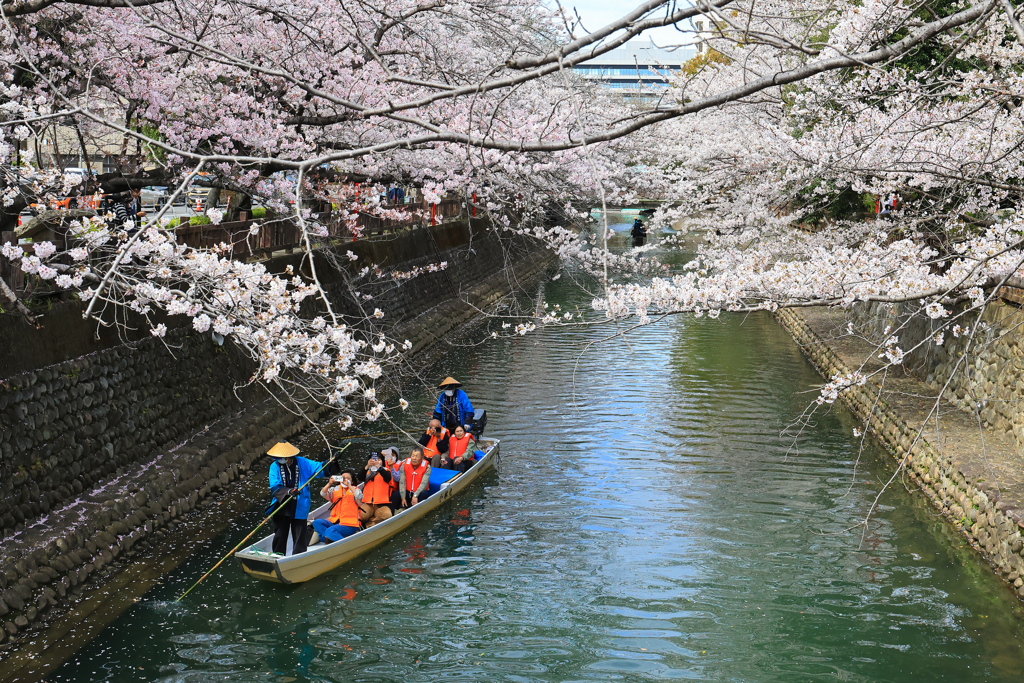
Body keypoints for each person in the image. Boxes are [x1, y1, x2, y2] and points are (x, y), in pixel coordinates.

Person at [266, 442, 323, 555]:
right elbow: (274, 485)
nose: (279, 459)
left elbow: (318, 468)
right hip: (282, 505)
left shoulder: (302, 462)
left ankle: (299, 556)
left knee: (299, 535)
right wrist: (288, 491)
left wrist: (331, 462)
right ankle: (278, 556)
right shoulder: (274, 466)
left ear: (288, 456)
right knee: (280, 534)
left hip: (300, 505)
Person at [311, 470, 362, 543]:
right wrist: (329, 483)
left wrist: (349, 486)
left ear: (352, 481)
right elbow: (322, 493)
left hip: (350, 524)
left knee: (329, 531)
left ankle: (341, 542)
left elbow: (359, 496)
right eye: (343, 478)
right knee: (316, 522)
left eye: (347, 478)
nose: (345, 480)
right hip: (335, 521)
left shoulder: (356, 491)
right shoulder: (335, 489)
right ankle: (328, 537)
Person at [359, 451, 394, 527]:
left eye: (379, 459)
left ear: (382, 461)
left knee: (387, 516)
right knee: (359, 515)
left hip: (381, 505)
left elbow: (387, 478)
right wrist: (367, 465)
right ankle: (369, 521)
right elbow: (360, 477)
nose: (376, 461)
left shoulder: (386, 471)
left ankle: (370, 523)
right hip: (368, 504)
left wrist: (378, 467)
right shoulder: (367, 472)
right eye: (374, 460)